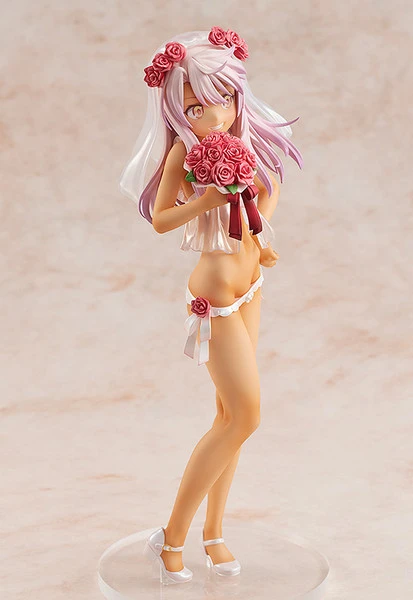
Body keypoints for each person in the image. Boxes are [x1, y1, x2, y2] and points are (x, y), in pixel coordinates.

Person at [120, 26, 303, 585]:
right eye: (197, 107)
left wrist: (261, 235)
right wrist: (206, 199)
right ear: (179, 110)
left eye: (223, 99)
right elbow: (160, 220)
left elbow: (262, 196)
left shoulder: (242, 141)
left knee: (230, 418)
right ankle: (170, 538)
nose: (215, 115)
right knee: (245, 414)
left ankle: (214, 533)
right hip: (216, 297)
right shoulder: (185, 152)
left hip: (251, 283)